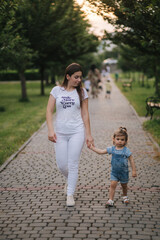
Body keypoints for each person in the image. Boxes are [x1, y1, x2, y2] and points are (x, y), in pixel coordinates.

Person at [46, 63, 94, 207]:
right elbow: (49, 111)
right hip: (60, 132)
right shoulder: (56, 90)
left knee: (73, 164)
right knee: (62, 165)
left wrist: (89, 134)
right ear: (68, 76)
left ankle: (70, 194)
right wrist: (50, 130)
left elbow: (85, 114)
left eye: (80, 77)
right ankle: (70, 180)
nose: (79, 80)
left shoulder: (82, 92)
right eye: (76, 77)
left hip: (77, 132)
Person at [89, 127, 137, 207]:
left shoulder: (126, 150)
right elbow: (101, 152)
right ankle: (110, 200)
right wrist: (92, 148)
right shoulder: (112, 149)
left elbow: (131, 160)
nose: (120, 141)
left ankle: (125, 196)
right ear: (114, 139)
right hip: (114, 173)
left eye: (122, 140)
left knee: (124, 186)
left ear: (125, 141)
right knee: (112, 185)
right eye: (118, 139)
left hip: (124, 173)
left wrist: (134, 170)